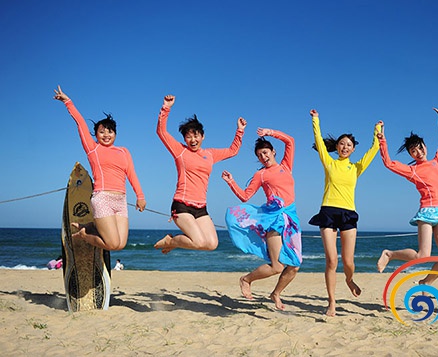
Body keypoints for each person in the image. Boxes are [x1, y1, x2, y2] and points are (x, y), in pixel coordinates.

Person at [54, 85, 146, 251]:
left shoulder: (124, 151)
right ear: (96, 134)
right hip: (102, 198)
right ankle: (84, 234)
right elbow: (81, 123)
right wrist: (68, 102)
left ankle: (91, 225)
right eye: (102, 132)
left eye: (110, 132)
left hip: (121, 200)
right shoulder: (93, 149)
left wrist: (140, 196)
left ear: (115, 134)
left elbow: (132, 174)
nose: (106, 135)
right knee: (112, 244)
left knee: (120, 245)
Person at [308, 109, 381, 317]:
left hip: (348, 213)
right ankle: (332, 302)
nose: (345, 147)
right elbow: (319, 141)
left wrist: (377, 130)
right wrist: (316, 120)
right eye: (342, 144)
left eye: (349, 145)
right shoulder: (329, 162)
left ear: (353, 149)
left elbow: (374, 149)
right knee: (332, 261)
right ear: (337, 147)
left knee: (348, 262)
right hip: (328, 212)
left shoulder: (356, 168)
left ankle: (349, 279)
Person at [153, 95, 246, 253]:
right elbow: (161, 132)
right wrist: (166, 107)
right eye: (188, 137)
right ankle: (171, 240)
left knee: (211, 244)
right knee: (198, 241)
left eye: (195, 135)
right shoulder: (180, 151)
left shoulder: (210, 154)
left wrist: (240, 130)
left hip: (201, 208)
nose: (192, 140)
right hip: (181, 205)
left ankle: (174, 242)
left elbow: (233, 151)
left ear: (202, 136)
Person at [221, 128, 301, 311]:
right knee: (277, 267)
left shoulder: (286, 166)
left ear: (273, 151)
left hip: (291, 219)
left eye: (265, 152)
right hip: (274, 219)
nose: (263, 157)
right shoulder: (261, 175)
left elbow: (290, 141)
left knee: (294, 266)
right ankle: (246, 279)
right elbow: (245, 196)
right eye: (259, 155)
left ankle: (276, 294)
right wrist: (231, 182)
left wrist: (269, 132)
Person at [376, 108, 438, 286]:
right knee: (422, 256)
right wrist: (382, 141)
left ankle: (425, 282)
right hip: (427, 213)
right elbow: (389, 163)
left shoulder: (436, 162)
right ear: (410, 155)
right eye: (413, 151)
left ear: (425, 146)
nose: (418, 152)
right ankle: (389, 254)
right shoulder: (412, 171)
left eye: (419, 147)